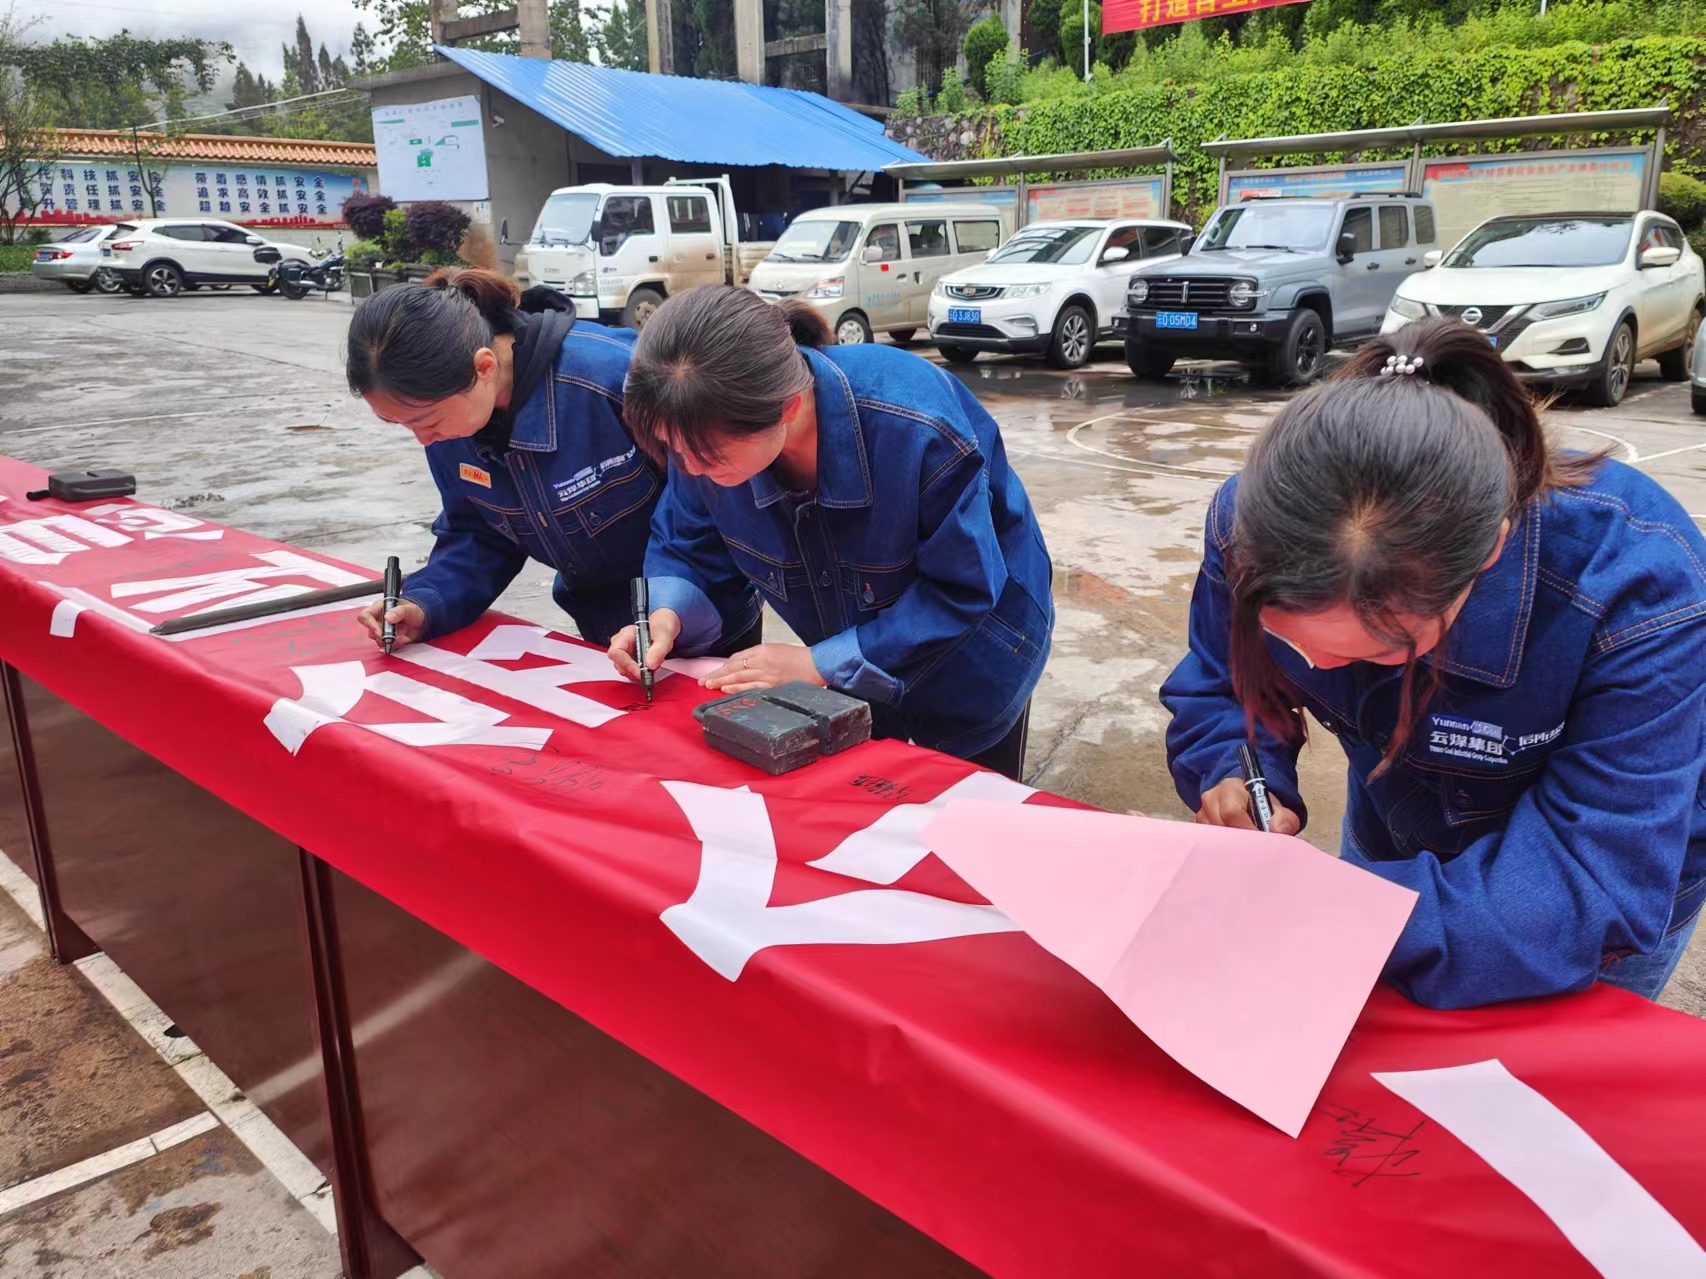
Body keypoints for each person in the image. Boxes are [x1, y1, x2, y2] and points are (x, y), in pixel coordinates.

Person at [1162, 318, 1706, 1010]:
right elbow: (1225, 682)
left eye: (1381, 647)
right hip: (1396, 828)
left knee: (1535, 1072)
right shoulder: (1249, 527)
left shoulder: (1637, 583)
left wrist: (1333, 913)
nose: (1317, 666)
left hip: (1578, 897)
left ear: (1489, 552)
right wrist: (1241, 774)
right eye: (1289, 640)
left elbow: (1592, 879)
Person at [607, 285, 1054, 776]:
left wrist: (817, 665)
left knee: (969, 801)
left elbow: (961, 589)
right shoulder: (703, 434)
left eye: (708, 456)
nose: (690, 469)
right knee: (870, 795)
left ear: (787, 407)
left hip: (977, 654)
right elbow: (686, 542)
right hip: (849, 658)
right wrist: (666, 616)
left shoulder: (915, 427)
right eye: (674, 449)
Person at [344, 267, 757, 651]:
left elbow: (709, 500)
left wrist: (671, 607)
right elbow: (478, 531)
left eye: (426, 420)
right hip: (604, 634)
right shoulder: (451, 422)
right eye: (398, 423)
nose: (422, 438)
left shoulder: (615, 378)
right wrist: (426, 603)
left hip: (707, 622)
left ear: (483, 367)